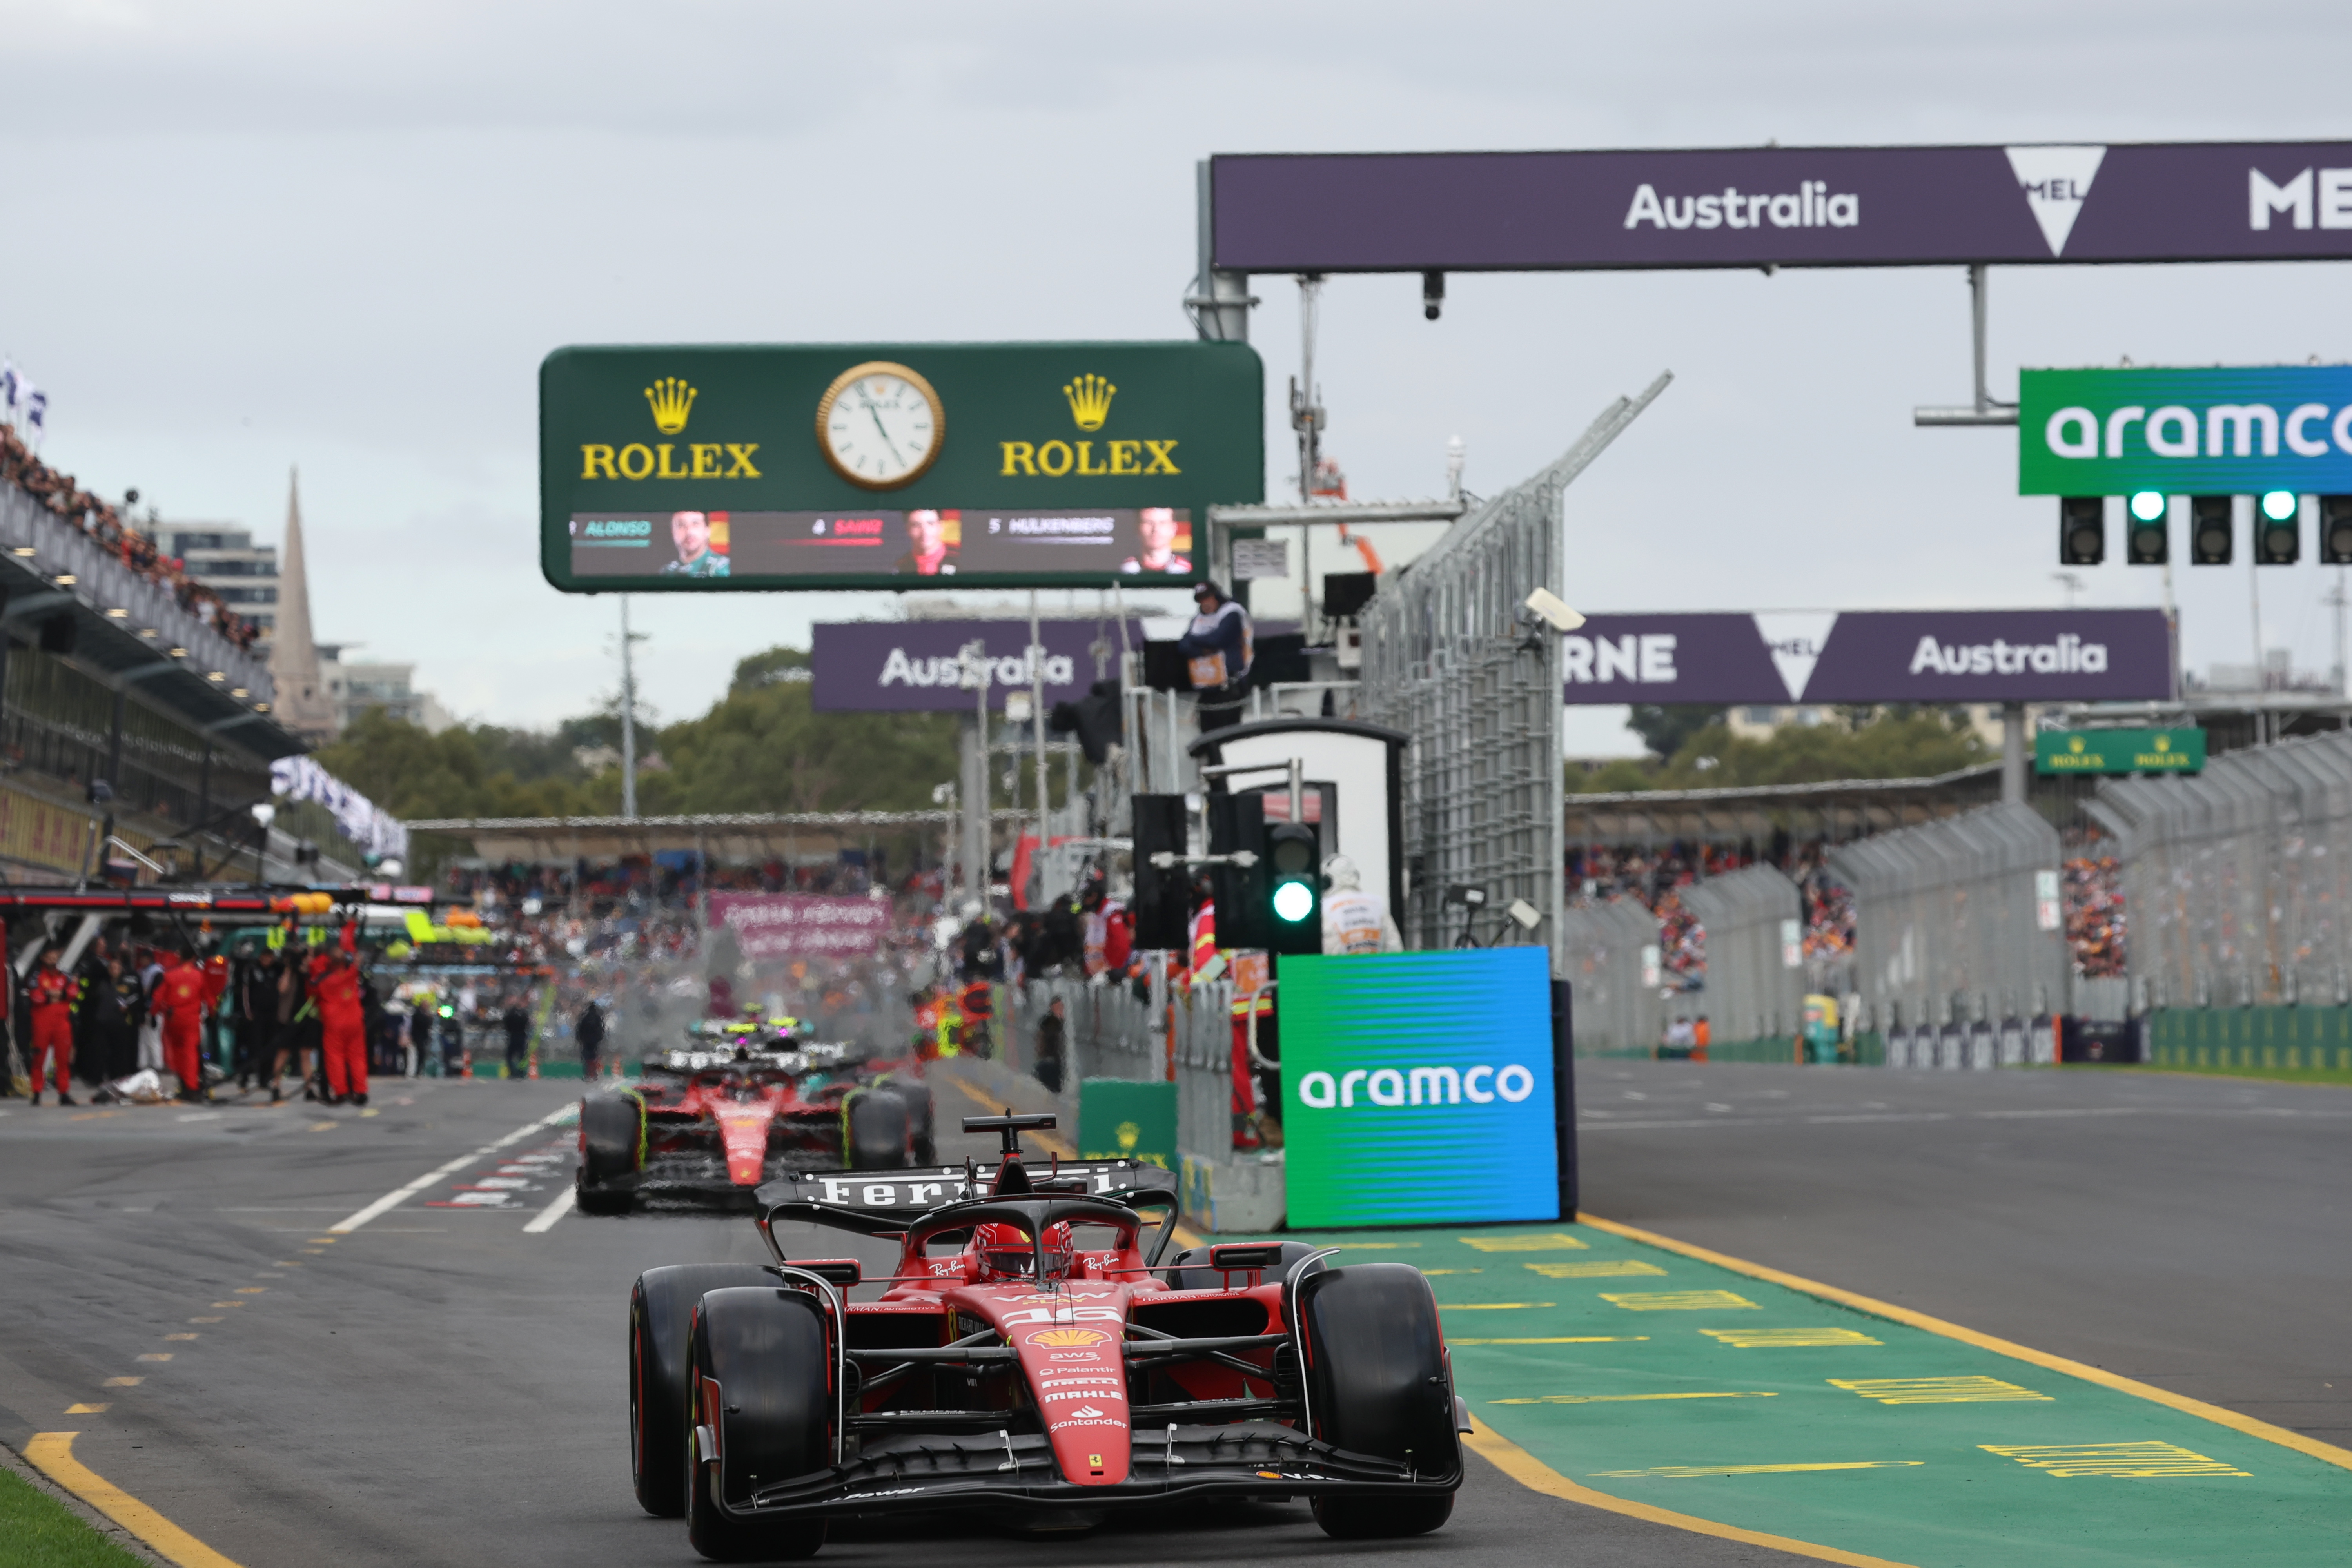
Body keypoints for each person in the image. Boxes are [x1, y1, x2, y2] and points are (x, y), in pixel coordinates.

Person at [1176, 581, 1252, 732]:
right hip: (1206, 687)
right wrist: (1204, 650)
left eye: (1208, 598)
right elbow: (1183, 646)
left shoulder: (1232, 613)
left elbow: (1218, 640)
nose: (1205, 603)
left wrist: (1194, 640)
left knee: (1227, 734)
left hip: (1229, 686)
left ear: (1217, 596)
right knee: (1207, 734)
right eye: (1201, 600)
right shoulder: (1199, 619)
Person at [307, 926, 369, 1106]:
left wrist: (316, 956)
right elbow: (353, 954)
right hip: (355, 1021)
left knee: (335, 1057)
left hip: (334, 1023)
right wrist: (349, 927)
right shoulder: (351, 973)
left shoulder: (322, 980)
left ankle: (341, 1091)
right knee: (357, 1057)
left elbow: (313, 971)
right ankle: (360, 1090)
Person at [1319, 855, 1404, 955]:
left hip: (1338, 969)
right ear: (1356, 876)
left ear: (1327, 881)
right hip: (1374, 969)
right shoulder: (1377, 904)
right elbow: (1394, 948)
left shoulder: (1325, 907)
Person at [26, 945, 77, 1106]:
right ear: (43, 958)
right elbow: (36, 997)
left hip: (62, 1024)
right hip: (42, 1024)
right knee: (38, 1059)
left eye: (55, 956)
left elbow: (74, 992)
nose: (53, 959)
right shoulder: (35, 976)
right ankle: (36, 1092)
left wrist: (52, 994)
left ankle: (64, 1093)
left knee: (63, 1060)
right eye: (49, 956)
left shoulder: (66, 976)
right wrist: (58, 995)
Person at [1120, 506, 1192, 574]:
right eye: (1149, 523)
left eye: (1163, 523)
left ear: (1174, 529)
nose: (1156, 529)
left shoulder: (1186, 570)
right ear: (1138, 528)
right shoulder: (1126, 570)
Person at [662, 510, 730, 577]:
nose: (689, 531)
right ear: (673, 532)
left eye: (696, 524)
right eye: (681, 525)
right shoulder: (667, 572)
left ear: (707, 531)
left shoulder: (722, 567)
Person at [893, 509, 957, 575]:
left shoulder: (962, 562)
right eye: (916, 525)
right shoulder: (900, 568)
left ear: (941, 526)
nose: (925, 532)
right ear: (907, 529)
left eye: (931, 524)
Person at [1034, 995, 1066, 1094]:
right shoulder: (1050, 1022)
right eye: (1058, 1007)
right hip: (1049, 1060)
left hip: (1057, 1061)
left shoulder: (1064, 1023)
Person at [575, 996, 607, 1081]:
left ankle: (588, 1074)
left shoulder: (585, 1017)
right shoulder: (598, 1018)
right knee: (594, 1056)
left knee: (587, 1057)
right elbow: (601, 1029)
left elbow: (580, 1028)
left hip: (586, 1040)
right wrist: (600, 1038)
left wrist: (579, 1038)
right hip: (595, 1041)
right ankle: (594, 1073)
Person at [501, 995, 532, 1077]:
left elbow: (506, 1023)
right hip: (521, 1035)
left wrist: (510, 1030)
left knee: (511, 1056)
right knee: (521, 1056)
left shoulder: (511, 1013)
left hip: (514, 1035)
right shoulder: (524, 1014)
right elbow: (527, 1025)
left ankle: (514, 1072)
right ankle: (520, 1073)